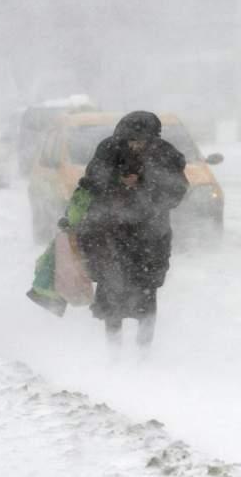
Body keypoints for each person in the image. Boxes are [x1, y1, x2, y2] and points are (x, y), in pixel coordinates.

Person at [67, 111, 189, 348]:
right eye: (131, 140)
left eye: (141, 140)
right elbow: (91, 181)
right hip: (110, 235)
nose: (135, 145)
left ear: (153, 138)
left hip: (151, 239)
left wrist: (143, 185)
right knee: (112, 293)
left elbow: (176, 191)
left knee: (146, 294)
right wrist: (118, 182)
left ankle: (144, 352)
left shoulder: (166, 155)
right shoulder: (109, 150)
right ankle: (114, 351)